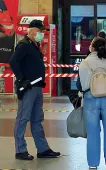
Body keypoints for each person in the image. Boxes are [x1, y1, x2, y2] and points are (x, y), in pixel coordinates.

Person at [9, 20, 60, 160]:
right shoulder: (23, 45)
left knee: (37, 119)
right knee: (22, 118)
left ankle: (43, 149)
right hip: (28, 88)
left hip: (37, 88)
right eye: (40, 31)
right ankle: (20, 150)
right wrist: (21, 79)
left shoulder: (35, 46)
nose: (42, 34)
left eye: (43, 31)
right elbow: (13, 61)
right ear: (31, 30)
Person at [79, 37, 106, 169]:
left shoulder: (85, 63)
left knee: (92, 132)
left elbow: (79, 85)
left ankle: (93, 164)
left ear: (92, 48)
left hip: (90, 99)